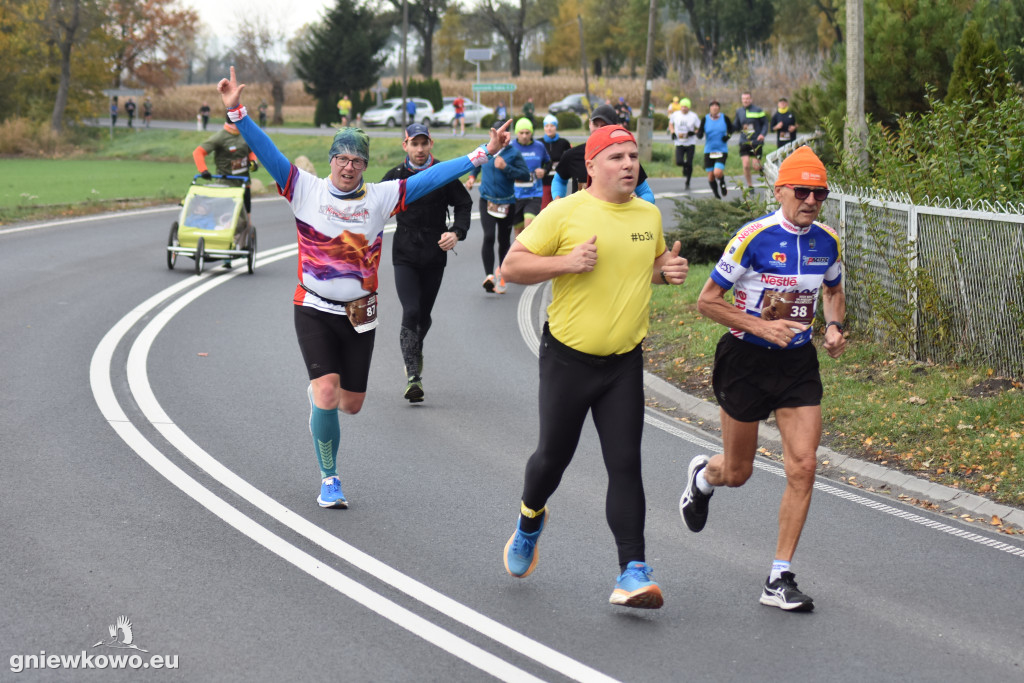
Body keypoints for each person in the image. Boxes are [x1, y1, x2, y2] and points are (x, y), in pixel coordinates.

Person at [215, 67, 511, 508]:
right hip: (313, 306)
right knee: (329, 391)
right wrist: (237, 112)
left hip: (359, 313)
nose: (348, 167)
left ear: (365, 166)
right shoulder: (303, 188)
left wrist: (481, 153)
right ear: (331, 160)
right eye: (342, 159)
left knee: (350, 404)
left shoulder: (381, 196)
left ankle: (321, 401)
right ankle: (330, 478)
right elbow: (268, 151)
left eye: (357, 161)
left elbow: (432, 177)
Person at [499, 124, 689, 609]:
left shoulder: (648, 214)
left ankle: (633, 570)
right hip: (568, 360)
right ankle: (529, 520)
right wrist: (565, 263)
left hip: (623, 363)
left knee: (625, 464)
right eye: (617, 157)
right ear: (591, 166)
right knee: (551, 460)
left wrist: (665, 272)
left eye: (633, 156)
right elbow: (512, 266)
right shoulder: (564, 212)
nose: (629, 164)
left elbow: (641, 268)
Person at [679, 145, 845, 612]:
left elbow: (832, 290)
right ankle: (703, 476)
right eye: (803, 191)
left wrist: (833, 326)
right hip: (746, 358)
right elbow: (708, 300)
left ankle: (779, 577)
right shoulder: (753, 236)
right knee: (739, 472)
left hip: (796, 364)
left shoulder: (827, 241)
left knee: (804, 465)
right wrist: (762, 325)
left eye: (820, 193)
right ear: (781, 191)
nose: (811, 200)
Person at [381, 123, 473, 402]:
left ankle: (414, 347)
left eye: (424, 144)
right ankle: (413, 376)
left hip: (434, 254)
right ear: (405, 146)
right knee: (410, 311)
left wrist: (456, 232)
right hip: (405, 254)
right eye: (414, 144)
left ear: (431, 144)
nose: (419, 149)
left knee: (423, 316)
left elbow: (464, 204)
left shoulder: (443, 174)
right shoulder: (395, 176)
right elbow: (373, 206)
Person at [465, 132, 530, 293]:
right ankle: (489, 276)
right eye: (500, 135)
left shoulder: (514, 153)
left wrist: (506, 168)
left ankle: (502, 274)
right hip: (487, 200)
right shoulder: (485, 150)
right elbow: (476, 164)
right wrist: (472, 177)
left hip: (507, 202)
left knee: (503, 240)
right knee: (488, 236)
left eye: (506, 136)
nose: (504, 139)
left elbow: (525, 175)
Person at [550, 104, 655, 204]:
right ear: (590, 124)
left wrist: (632, 205)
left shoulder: (626, 160)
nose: (598, 129)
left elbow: (647, 194)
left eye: (604, 126)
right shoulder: (573, 155)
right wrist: (557, 199)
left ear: (616, 127)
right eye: (595, 124)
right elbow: (559, 180)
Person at [192, 119, 260, 238]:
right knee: (225, 217)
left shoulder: (246, 134)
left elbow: (252, 151)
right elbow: (198, 152)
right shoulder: (220, 137)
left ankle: (246, 240)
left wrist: (253, 163)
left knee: (246, 219)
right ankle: (222, 240)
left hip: (244, 184)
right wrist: (203, 170)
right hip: (225, 185)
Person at [509, 118, 550, 240]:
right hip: (515, 195)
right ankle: (519, 256)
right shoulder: (511, 147)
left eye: (527, 133)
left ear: (532, 133)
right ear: (517, 133)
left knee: (528, 228)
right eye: (521, 133)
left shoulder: (539, 146)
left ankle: (527, 255)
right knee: (518, 231)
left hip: (534, 194)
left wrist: (544, 171)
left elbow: (548, 162)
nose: (525, 136)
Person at [696, 99, 733, 199]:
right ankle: (716, 195)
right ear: (710, 109)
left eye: (717, 107)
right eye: (712, 107)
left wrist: (727, 137)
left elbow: (731, 130)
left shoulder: (725, 118)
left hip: (721, 150)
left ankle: (722, 182)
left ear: (719, 109)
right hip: (709, 150)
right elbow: (700, 132)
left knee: (717, 172)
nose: (714, 109)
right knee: (711, 176)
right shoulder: (705, 119)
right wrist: (699, 134)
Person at [735, 91, 768, 188]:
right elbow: (736, 125)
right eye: (744, 99)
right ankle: (750, 185)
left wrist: (762, 134)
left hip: (756, 141)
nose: (745, 101)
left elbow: (765, 124)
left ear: (751, 99)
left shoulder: (758, 110)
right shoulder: (739, 111)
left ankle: (762, 169)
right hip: (744, 142)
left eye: (747, 99)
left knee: (756, 166)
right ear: (742, 100)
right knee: (745, 166)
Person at [539, 114, 571, 209]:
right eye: (547, 126)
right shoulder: (539, 143)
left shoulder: (564, 143)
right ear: (544, 127)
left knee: (558, 209)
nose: (549, 128)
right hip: (544, 182)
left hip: (559, 181)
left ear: (556, 127)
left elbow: (569, 160)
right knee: (544, 210)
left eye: (552, 126)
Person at [668, 97, 700, 190]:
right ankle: (684, 166)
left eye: (686, 107)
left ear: (689, 107)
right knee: (679, 162)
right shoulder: (675, 115)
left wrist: (693, 133)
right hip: (679, 142)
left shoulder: (693, 116)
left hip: (690, 143)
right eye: (682, 106)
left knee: (689, 163)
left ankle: (688, 181)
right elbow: (670, 124)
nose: (684, 108)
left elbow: (700, 128)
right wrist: (673, 132)